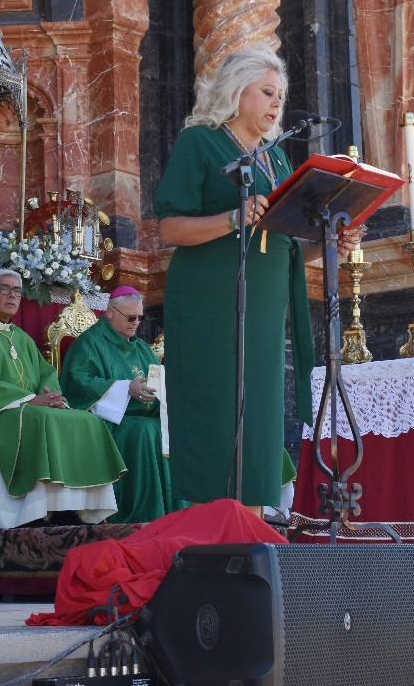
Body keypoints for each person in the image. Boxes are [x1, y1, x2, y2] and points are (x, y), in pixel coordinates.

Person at [154, 47, 363, 511]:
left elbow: (286, 248)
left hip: (266, 307)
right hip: (211, 300)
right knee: (217, 403)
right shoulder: (202, 142)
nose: (276, 105)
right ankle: (209, 519)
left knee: (262, 411)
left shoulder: (278, 163)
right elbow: (170, 227)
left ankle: (253, 517)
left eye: (280, 97)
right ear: (236, 91)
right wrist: (233, 218)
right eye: (267, 93)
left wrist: (330, 245)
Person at [0, 269, 126, 528]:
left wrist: (49, 394)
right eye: (5, 289)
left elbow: (45, 373)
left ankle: (78, 510)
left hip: (29, 408)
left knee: (86, 420)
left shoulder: (22, 338)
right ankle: (36, 512)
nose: (12, 295)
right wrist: (28, 400)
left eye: (17, 291)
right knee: (42, 419)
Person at [60, 286, 179, 523]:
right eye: (131, 317)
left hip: (144, 418)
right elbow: (77, 383)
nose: (136, 323)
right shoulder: (90, 343)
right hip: (109, 423)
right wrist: (126, 388)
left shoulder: (142, 348)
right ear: (110, 312)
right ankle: (142, 517)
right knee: (146, 432)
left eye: (140, 318)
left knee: (172, 430)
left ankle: (176, 517)